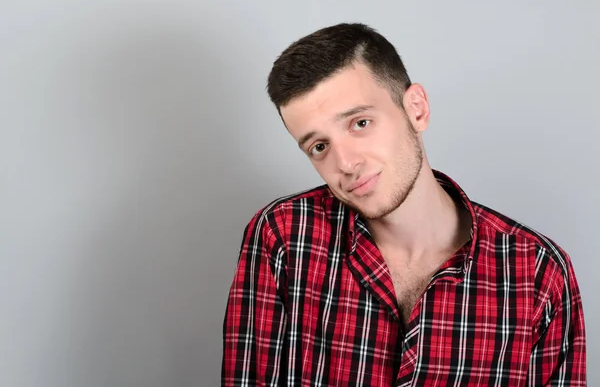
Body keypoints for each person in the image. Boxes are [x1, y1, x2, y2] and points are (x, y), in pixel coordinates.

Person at [221, 23, 586, 386]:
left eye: (360, 123)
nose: (345, 164)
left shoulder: (538, 272)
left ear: (416, 109)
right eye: (319, 147)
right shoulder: (284, 236)